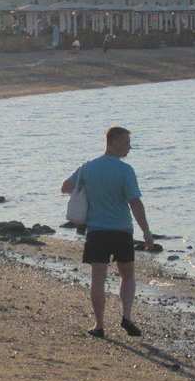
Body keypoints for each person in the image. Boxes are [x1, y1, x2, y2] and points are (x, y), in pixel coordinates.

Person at [61, 127, 154, 338]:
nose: (129, 147)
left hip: (96, 232)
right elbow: (135, 203)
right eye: (126, 142)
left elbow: (66, 187)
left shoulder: (88, 168)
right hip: (121, 230)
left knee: (98, 278)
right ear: (112, 142)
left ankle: (99, 325)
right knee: (128, 275)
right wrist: (147, 231)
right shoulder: (125, 171)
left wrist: (87, 189)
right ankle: (126, 316)